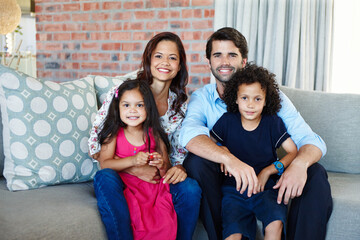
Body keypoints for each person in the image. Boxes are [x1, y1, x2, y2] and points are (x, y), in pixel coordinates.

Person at [179, 27, 333, 240]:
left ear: (244, 61)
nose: (225, 61)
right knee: (196, 162)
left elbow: (310, 140)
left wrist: (298, 164)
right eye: (217, 55)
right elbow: (189, 135)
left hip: (268, 174)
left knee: (315, 172)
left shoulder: (269, 96)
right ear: (209, 62)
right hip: (228, 178)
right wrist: (227, 157)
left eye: (232, 54)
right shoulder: (202, 98)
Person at [89, 32, 201, 240]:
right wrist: (135, 167)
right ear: (149, 59)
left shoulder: (180, 107)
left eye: (172, 57)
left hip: (156, 180)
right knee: (104, 178)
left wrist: (175, 167)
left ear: (179, 65)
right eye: (158, 56)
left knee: (191, 189)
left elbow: (176, 156)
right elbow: (97, 147)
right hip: (122, 175)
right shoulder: (126, 93)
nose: (165, 62)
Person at [210, 63, 297, 240]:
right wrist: (222, 150)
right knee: (233, 234)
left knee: (275, 224)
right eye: (244, 98)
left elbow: (293, 152)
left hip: (266, 188)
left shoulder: (272, 122)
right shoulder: (227, 121)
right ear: (235, 98)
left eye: (257, 99)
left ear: (266, 101)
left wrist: (268, 171)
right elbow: (208, 145)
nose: (250, 105)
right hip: (233, 190)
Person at [97, 79, 177, 239]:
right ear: (117, 107)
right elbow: (104, 163)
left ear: (148, 107)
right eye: (126, 105)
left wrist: (160, 164)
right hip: (128, 188)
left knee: (163, 223)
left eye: (139, 105)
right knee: (134, 218)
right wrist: (133, 161)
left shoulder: (154, 134)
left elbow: (166, 167)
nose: (132, 110)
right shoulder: (114, 133)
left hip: (152, 190)